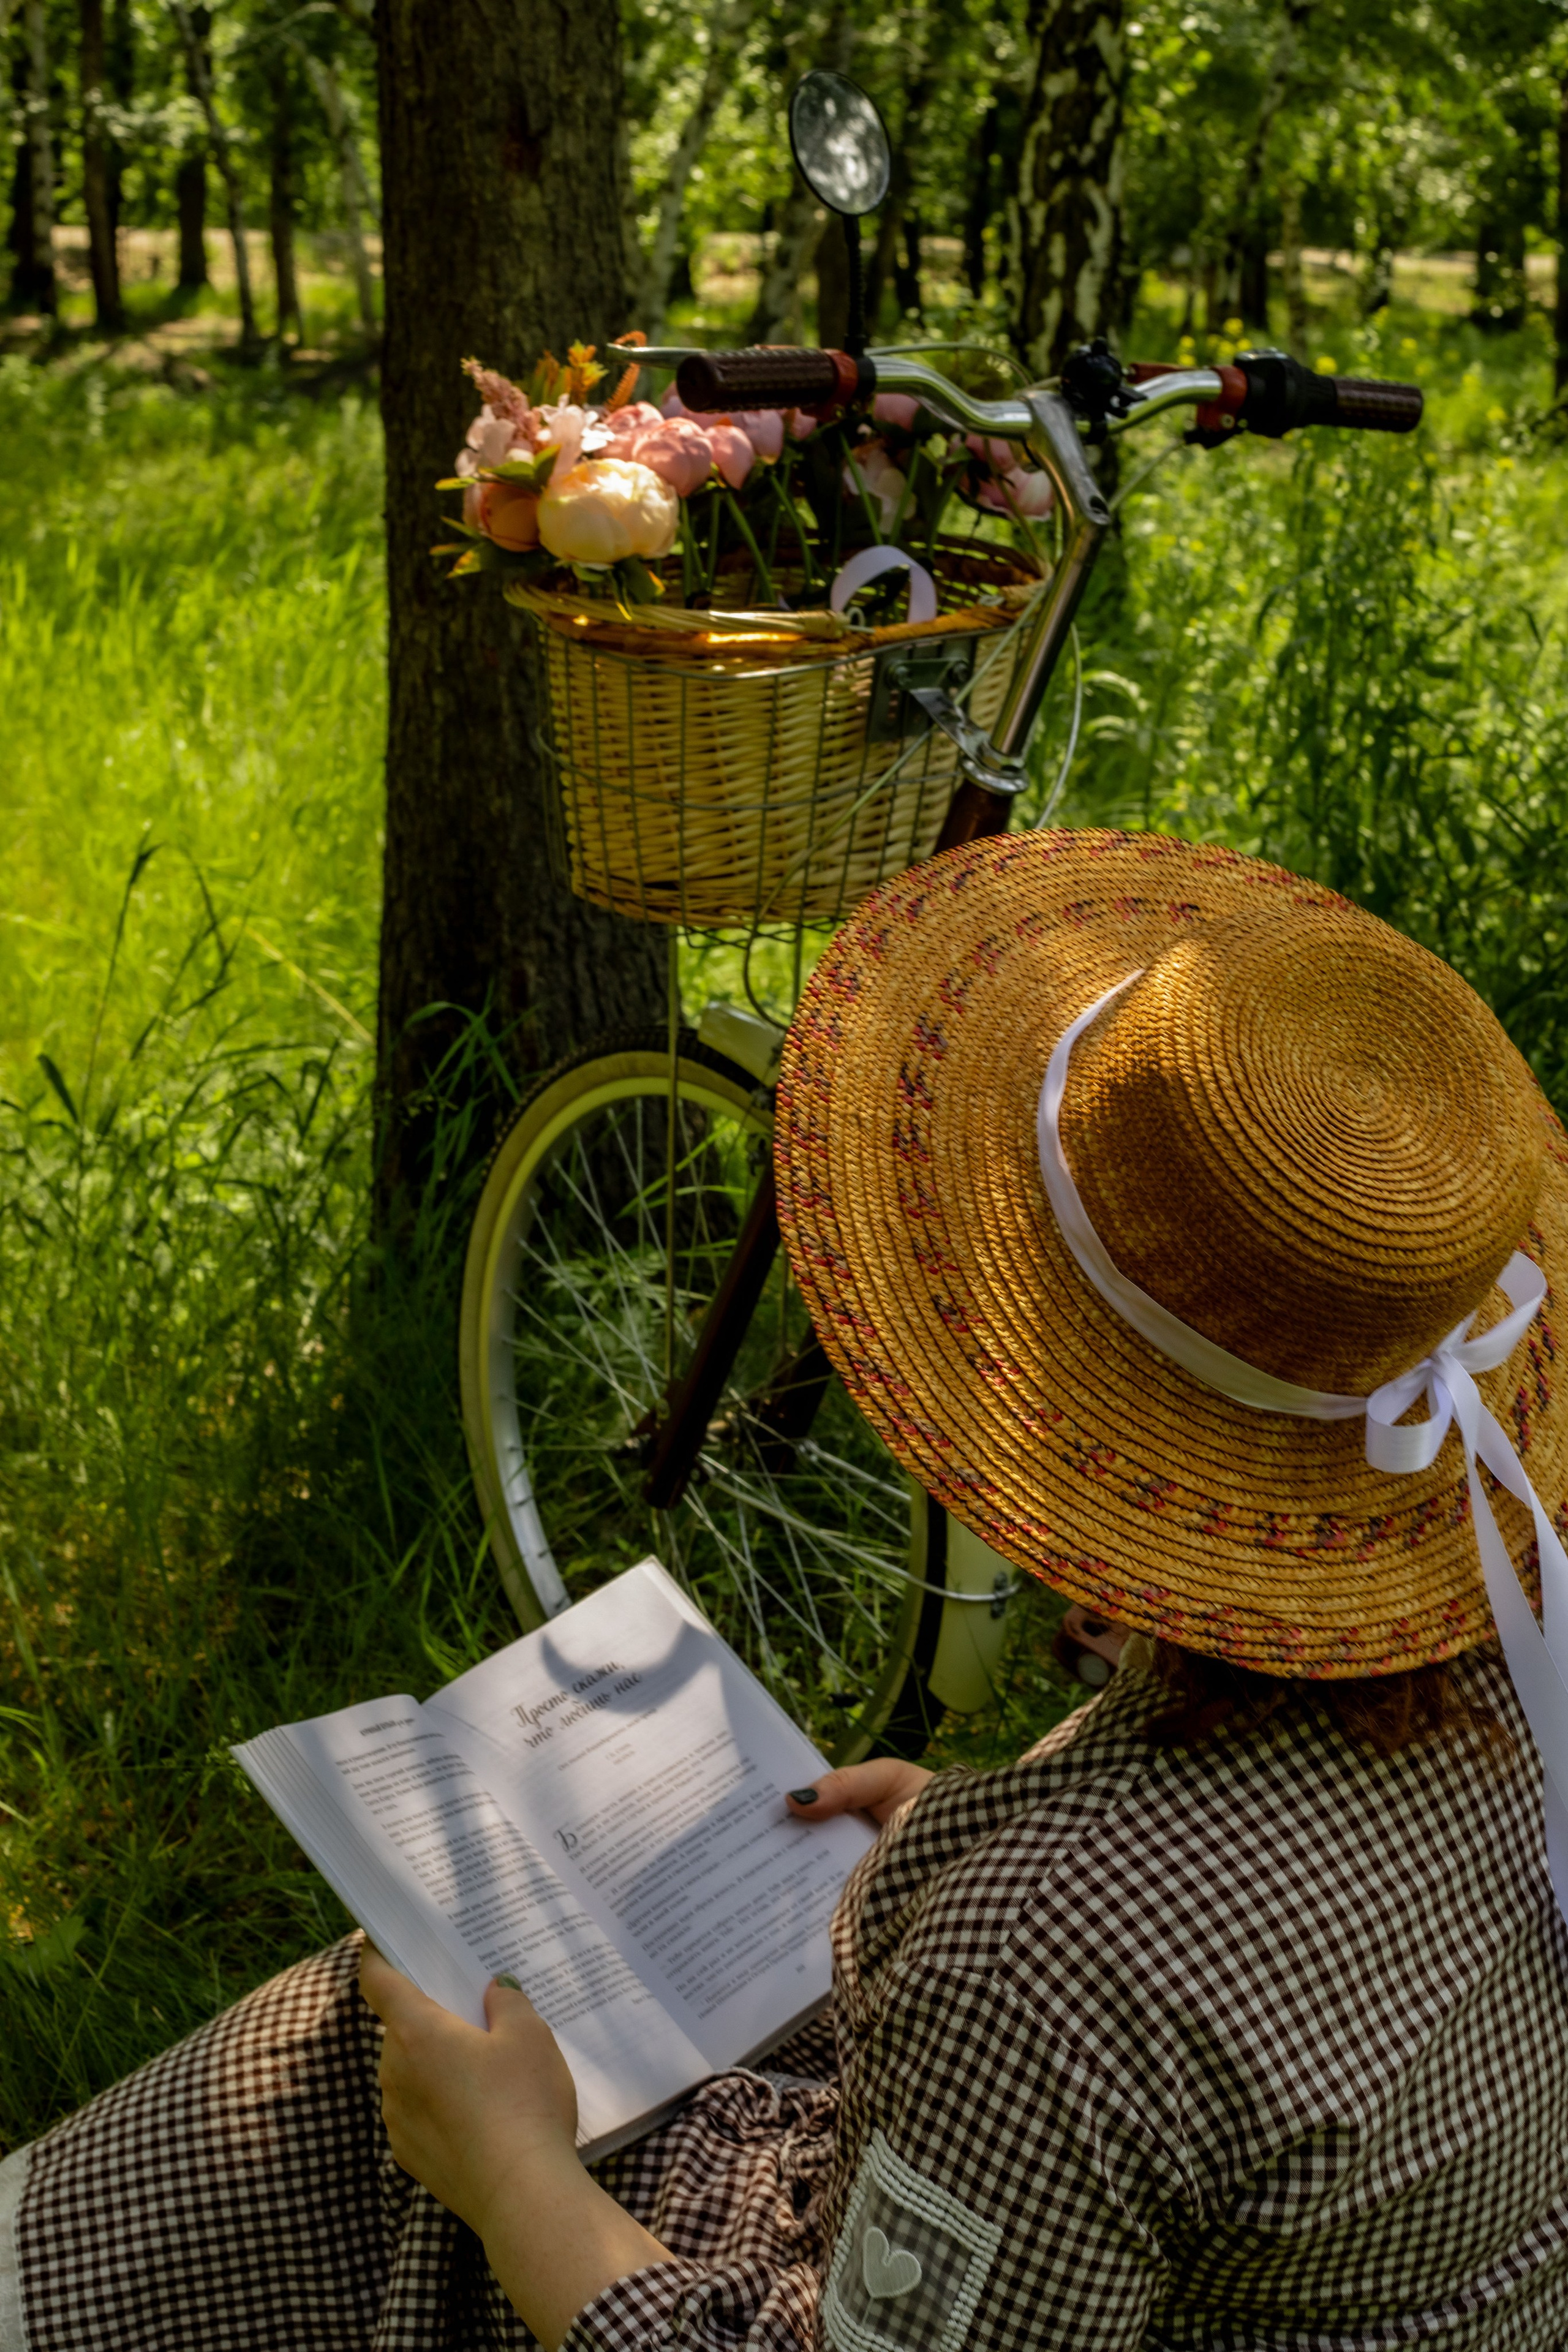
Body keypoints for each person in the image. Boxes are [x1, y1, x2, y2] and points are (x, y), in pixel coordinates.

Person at [4, 826, 1568, 2351]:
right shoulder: (1524, 1646)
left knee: (362, 2075)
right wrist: (977, 1831)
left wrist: (516, 2177)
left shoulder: (1041, 1956)